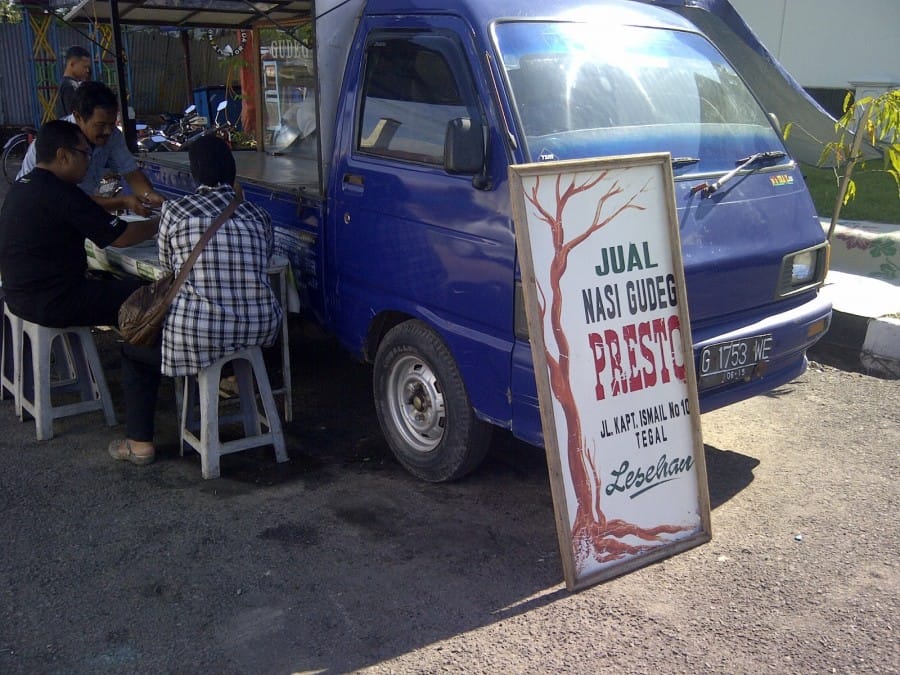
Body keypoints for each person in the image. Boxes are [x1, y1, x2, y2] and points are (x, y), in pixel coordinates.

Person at [109, 135, 283, 466]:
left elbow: (168, 267)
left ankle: (139, 444)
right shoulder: (259, 215)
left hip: (201, 334)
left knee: (133, 350)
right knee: (223, 334)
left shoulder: (175, 210)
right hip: (259, 329)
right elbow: (264, 258)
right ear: (233, 173)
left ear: (194, 173)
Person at [0, 119, 158, 328]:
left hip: (19, 297)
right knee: (152, 294)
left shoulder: (24, 185)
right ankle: (149, 357)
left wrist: (124, 203)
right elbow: (122, 237)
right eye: (85, 154)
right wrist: (163, 221)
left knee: (113, 282)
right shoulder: (62, 193)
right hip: (55, 302)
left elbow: (84, 212)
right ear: (63, 155)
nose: (89, 162)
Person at [18, 81, 166, 216]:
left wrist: (149, 195)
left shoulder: (113, 136)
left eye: (112, 124)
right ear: (78, 117)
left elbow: (131, 172)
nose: (108, 131)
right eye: (100, 125)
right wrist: (124, 202)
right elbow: (71, 201)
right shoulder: (56, 141)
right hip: (37, 215)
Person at [54, 45, 92, 119]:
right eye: (84, 67)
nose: (87, 70)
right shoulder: (70, 86)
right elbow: (77, 117)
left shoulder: (66, 83)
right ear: (72, 64)